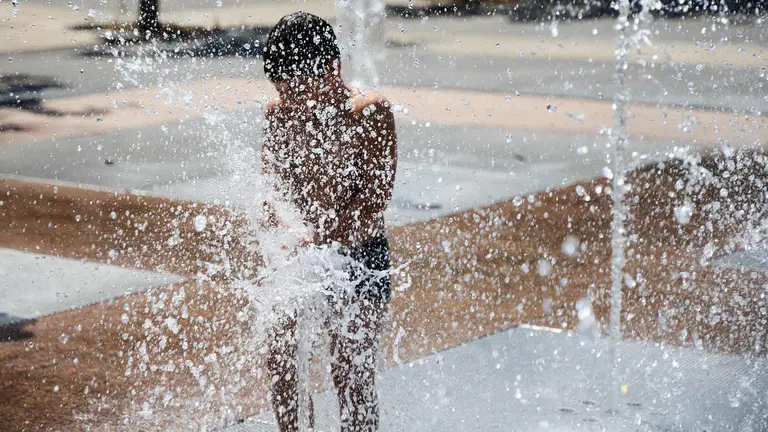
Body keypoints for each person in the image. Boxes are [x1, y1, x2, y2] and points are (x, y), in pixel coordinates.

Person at [260, 11, 397, 432]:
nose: (295, 102)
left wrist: (322, 234)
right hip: (303, 254)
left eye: (302, 90)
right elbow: (272, 193)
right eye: (285, 90)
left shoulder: (368, 112)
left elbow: (376, 198)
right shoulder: (278, 113)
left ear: (333, 69)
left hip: (359, 257)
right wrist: (288, 231)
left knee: (350, 368)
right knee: (280, 350)